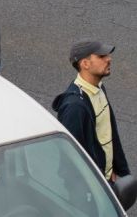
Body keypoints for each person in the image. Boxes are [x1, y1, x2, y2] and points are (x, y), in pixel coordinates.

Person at [52, 40, 130, 182]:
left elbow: (109, 133)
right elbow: (73, 157)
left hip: (104, 180)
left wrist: (118, 171)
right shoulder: (75, 107)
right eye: (101, 57)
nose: (108, 59)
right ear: (85, 64)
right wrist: (97, 187)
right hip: (91, 188)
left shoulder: (98, 88)